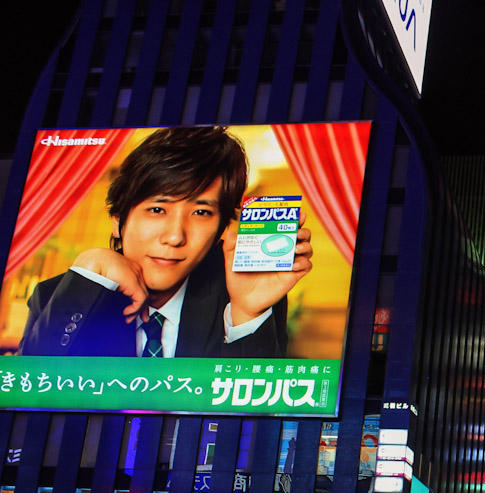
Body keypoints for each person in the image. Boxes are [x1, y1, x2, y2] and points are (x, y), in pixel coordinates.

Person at [18, 126, 308, 359]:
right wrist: (88, 267)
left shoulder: (240, 298)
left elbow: (255, 419)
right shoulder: (60, 295)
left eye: (201, 213)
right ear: (118, 219)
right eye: (158, 210)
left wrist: (246, 314)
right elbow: (28, 401)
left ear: (220, 230)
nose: (175, 237)